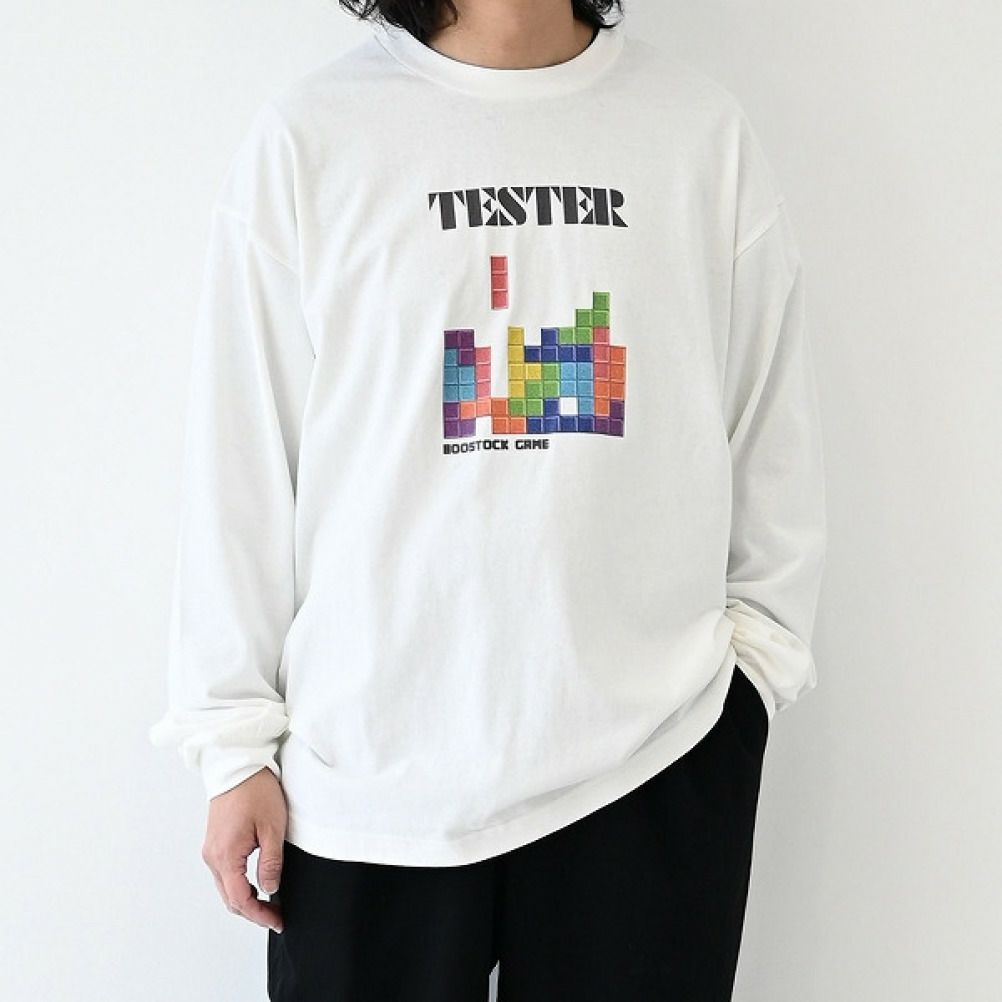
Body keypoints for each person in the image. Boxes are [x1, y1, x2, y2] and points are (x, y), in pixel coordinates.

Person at [149, 0, 827, 998]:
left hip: (653, 764)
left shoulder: (697, 133)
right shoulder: (313, 136)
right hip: (366, 786)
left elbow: (770, 436)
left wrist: (749, 693)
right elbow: (241, 458)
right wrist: (231, 743)